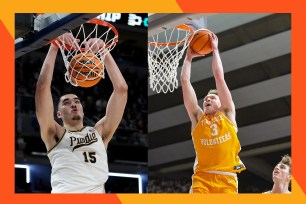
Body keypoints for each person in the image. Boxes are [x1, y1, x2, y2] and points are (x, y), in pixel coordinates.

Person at [35, 33, 128, 193]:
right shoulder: (54, 133)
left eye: (77, 101)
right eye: (66, 102)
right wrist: (55, 45)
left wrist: (103, 50)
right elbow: (42, 88)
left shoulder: (100, 132)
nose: (73, 104)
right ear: (58, 114)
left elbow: (121, 90)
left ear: (83, 110)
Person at [180, 32, 245, 194]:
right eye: (205, 99)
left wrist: (215, 50)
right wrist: (188, 58)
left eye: (212, 98)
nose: (207, 100)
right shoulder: (197, 118)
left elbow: (219, 77)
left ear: (221, 102)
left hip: (227, 179)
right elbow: (185, 81)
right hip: (202, 179)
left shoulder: (228, 114)